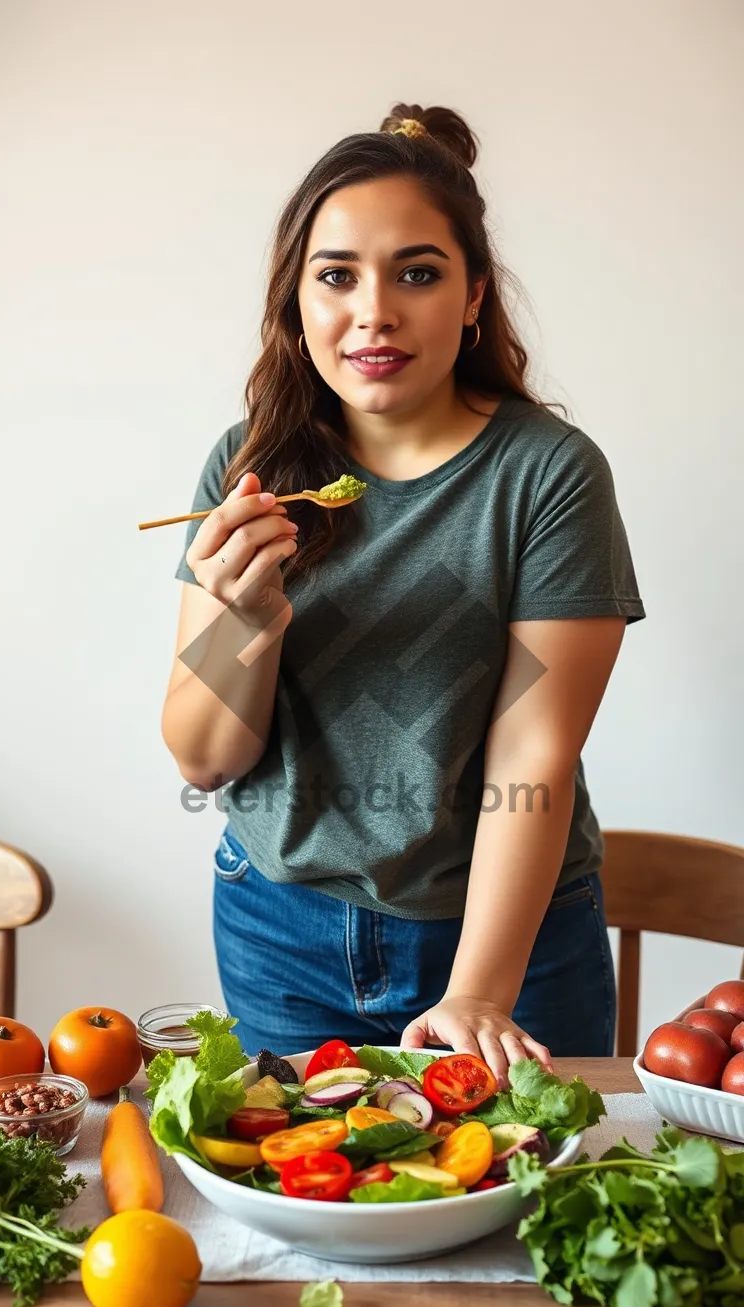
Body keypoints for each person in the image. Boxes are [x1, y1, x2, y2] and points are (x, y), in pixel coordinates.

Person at [161, 101, 645, 1086]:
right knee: (311, 1216)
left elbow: (532, 751)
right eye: (335, 276)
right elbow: (202, 758)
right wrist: (244, 624)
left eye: (416, 274)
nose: (373, 312)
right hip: (279, 928)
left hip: (508, 937)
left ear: (472, 297)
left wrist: (478, 990)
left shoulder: (547, 476)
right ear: (295, 301)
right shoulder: (248, 467)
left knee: (524, 1218)